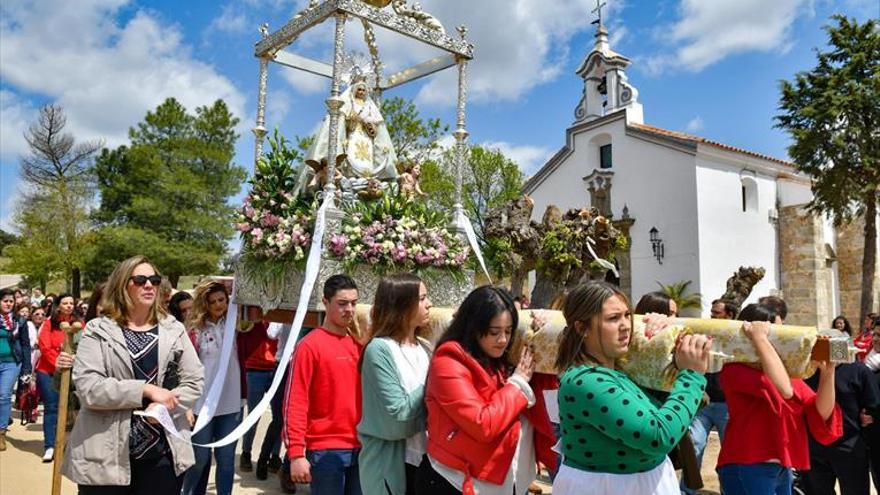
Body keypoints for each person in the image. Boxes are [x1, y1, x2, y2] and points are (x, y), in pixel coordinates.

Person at [551, 281, 711, 495]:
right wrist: (691, 376)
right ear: (582, 328)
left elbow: (666, 409)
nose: (626, 325)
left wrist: (662, 334)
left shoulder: (618, 367)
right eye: (613, 318)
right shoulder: (585, 381)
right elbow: (658, 436)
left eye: (627, 315)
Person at [61, 255, 204, 493]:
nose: (149, 285)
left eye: (154, 280)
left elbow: (194, 380)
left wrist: (162, 409)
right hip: (105, 456)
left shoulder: (173, 329)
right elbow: (89, 388)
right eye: (140, 279)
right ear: (122, 283)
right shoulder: (98, 330)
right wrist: (145, 390)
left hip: (162, 453)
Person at [416, 285, 556, 495]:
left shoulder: (504, 355)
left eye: (509, 331)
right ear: (473, 327)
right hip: (457, 480)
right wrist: (517, 383)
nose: (503, 340)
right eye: (494, 332)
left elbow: (548, 382)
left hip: (511, 480)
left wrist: (541, 333)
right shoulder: (448, 361)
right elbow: (483, 424)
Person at [716, 303, 842, 495]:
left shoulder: (786, 372)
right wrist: (760, 338)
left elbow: (820, 412)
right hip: (747, 463)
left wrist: (828, 372)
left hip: (781, 466)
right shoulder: (733, 370)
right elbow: (784, 389)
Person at [284, 274, 363, 495]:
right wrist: (296, 453)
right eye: (342, 303)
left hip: (363, 447)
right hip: (325, 450)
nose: (349, 309)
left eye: (354, 303)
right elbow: (295, 401)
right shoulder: (309, 346)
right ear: (325, 302)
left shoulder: (361, 344)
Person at [357, 273, 433, 495]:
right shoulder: (379, 350)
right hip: (392, 465)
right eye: (422, 298)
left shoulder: (426, 347)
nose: (429, 304)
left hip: (424, 461)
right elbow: (398, 419)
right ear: (402, 305)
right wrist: (434, 383)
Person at [183, 281, 243, 495]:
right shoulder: (195, 331)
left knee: (226, 460)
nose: (218, 305)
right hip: (202, 404)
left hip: (231, 402)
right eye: (213, 302)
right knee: (200, 459)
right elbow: (186, 369)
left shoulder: (236, 324)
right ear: (205, 305)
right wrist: (187, 404)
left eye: (222, 300)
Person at [683, 297, 738, 495]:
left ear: (729, 315)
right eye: (712, 312)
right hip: (703, 403)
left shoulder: (738, 338)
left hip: (727, 405)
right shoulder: (705, 334)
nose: (711, 316)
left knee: (729, 453)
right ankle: (687, 491)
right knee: (694, 444)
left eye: (716, 313)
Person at [802, 356, 879, 495]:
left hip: (850, 449)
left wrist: (868, 416)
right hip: (812, 450)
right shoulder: (804, 371)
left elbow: (872, 405)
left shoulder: (858, 371)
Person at [35, 292, 79, 462]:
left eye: (71, 303)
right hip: (49, 371)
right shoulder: (48, 324)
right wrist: (61, 365)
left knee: (72, 409)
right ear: (58, 305)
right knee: (52, 408)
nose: (69, 306)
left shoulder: (79, 324)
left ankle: (69, 444)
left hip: (72, 372)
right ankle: (50, 446)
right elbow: (45, 348)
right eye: (65, 303)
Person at [237, 319, 283, 480]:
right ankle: (246, 452)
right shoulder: (254, 315)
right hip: (254, 369)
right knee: (253, 416)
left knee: (279, 417)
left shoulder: (282, 315)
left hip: (276, 368)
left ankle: (275, 455)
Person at [0, 288, 32, 451]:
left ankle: (1, 433)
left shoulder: (20, 321)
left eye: (11, 301)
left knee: (4, 395)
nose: (8, 304)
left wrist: (27, 366)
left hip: (12, 363)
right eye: (5, 301)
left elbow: (26, 345)